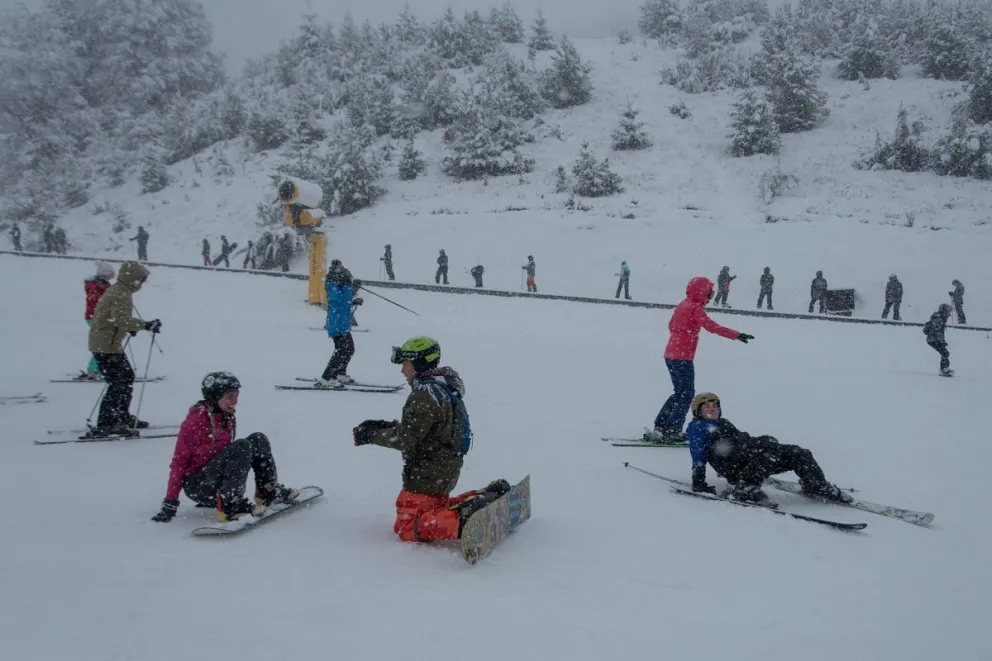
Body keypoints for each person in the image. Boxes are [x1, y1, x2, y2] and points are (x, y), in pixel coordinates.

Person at [352, 337, 510, 542]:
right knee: (434, 508)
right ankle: (487, 497)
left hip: (428, 471)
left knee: (408, 525)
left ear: (417, 364)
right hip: (444, 468)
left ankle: (462, 521)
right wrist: (385, 427)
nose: (403, 371)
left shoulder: (425, 395)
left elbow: (407, 438)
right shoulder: (442, 387)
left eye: (405, 365)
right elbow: (425, 429)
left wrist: (371, 435)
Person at [150, 372, 299, 523]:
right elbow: (179, 463)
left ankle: (268, 492)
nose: (234, 401)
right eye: (229, 396)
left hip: (214, 483)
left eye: (236, 395)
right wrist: (170, 503)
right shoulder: (195, 423)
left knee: (258, 439)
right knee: (242, 446)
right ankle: (230, 506)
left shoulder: (224, 416)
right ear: (215, 397)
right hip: (198, 486)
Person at [686, 392, 851, 505]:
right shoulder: (698, 427)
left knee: (798, 453)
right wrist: (698, 482)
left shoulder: (724, 422)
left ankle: (816, 484)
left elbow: (743, 442)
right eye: (706, 406)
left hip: (748, 460)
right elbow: (698, 455)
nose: (712, 408)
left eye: (715, 405)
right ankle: (745, 487)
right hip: (732, 466)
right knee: (767, 443)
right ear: (698, 411)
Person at [645, 277, 752, 443]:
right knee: (686, 394)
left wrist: (682, 334)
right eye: (710, 292)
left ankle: (662, 425)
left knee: (680, 393)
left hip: (671, 354)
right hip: (682, 357)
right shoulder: (695, 308)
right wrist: (736, 335)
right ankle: (673, 429)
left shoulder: (683, 304)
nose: (710, 295)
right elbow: (711, 327)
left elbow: (671, 325)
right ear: (703, 292)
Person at [87, 261, 161, 436]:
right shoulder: (120, 293)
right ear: (133, 279)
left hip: (105, 343)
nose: (141, 284)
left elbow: (115, 318)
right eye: (140, 280)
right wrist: (146, 325)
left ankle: (119, 416)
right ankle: (108, 422)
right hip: (106, 346)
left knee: (123, 378)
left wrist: (130, 328)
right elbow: (120, 319)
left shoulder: (119, 290)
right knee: (119, 381)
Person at [316, 260, 363, 388]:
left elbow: (345, 301)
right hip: (336, 324)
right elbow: (338, 301)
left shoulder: (340, 286)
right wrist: (347, 287)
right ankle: (327, 377)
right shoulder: (332, 285)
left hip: (343, 324)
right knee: (341, 350)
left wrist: (353, 300)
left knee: (349, 349)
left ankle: (340, 374)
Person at [82, 262, 115, 379]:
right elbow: (98, 302)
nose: (112, 277)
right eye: (110, 275)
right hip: (96, 317)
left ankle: (99, 367)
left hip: (97, 317)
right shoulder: (98, 286)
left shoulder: (101, 286)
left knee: (104, 343)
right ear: (105, 275)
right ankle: (94, 369)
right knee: (102, 344)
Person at [923, 303, 953, 376]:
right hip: (933, 340)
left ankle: (944, 369)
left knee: (944, 353)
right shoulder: (939, 320)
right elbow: (938, 332)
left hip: (933, 339)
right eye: (948, 312)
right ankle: (944, 369)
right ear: (944, 311)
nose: (949, 314)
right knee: (945, 353)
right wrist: (941, 342)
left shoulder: (939, 318)